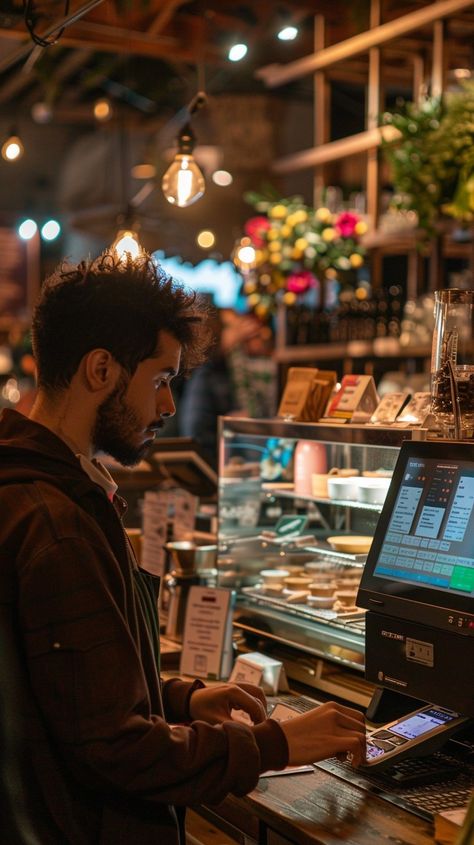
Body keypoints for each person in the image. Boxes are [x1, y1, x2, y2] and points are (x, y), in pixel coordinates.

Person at [0, 252, 366, 845]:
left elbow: (71, 695)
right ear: (100, 369)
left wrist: (179, 700)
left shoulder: (47, 489)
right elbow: (117, 750)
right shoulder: (56, 522)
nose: (168, 406)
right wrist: (277, 743)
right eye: (160, 380)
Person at [179, 308, 277, 467]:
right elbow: (195, 431)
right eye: (232, 326)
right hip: (213, 462)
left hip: (233, 459)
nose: (241, 331)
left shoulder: (240, 369)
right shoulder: (205, 374)